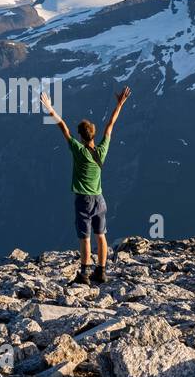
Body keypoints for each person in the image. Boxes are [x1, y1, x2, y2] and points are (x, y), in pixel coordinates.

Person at [39, 85, 131, 285]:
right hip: (100, 199)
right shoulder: (102, 150)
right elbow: (110, 125)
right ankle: (102, 271)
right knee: (102, 236)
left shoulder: (78, 151)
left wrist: (50, 108)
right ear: (93, 135)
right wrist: (120, 104)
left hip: (83, 200)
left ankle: (84, 274)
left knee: (85, 238)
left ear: (81, 136)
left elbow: (63, 127)